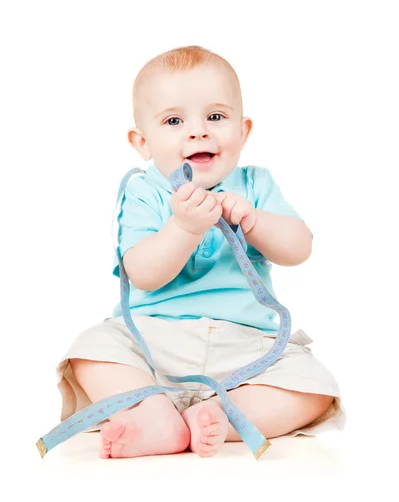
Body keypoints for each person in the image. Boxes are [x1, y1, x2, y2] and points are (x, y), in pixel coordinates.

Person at [56, 45, 347, 460]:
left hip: (247, 345)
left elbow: (300, 248)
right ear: (142, 142)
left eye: (215, 117)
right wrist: (183, 228)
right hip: (155, 340)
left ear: (243, 131)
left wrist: (255, 222)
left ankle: (222, 415)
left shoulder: (256, 184)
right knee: (91, 351)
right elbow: (142, 272)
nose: (198, 132)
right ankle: (154, 413)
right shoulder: (144, 191)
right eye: (174, 121)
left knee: (315, 386)